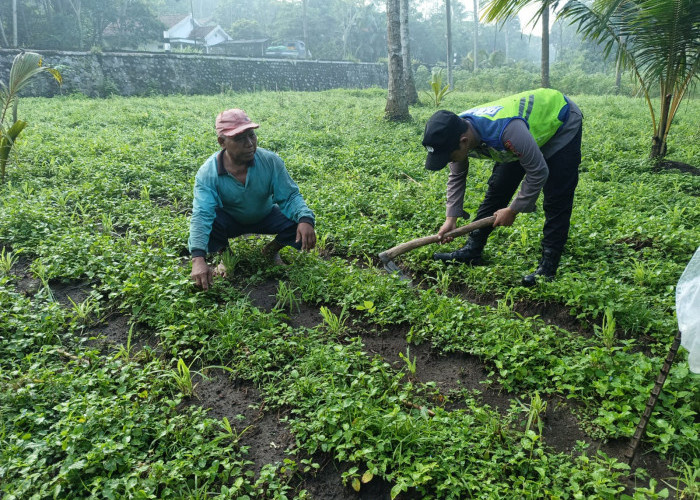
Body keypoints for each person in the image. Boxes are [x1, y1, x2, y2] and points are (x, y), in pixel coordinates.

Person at [422, 88, 583, 286]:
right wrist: (451, 218)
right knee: (498, 188)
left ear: (464, 142)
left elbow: (539, 171)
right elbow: (457, 175)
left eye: (448, 157)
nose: (449, 161)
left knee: (557, 195)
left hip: (560, 122)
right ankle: (473, 249)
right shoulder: (456, 132)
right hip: (521, 135)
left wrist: (513, 209)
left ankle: (548, 267)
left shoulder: (506, 132)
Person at [188, 108, 316, 290]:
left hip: (265, 215)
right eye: (239, 138)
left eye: (251, 135)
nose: (249, 143)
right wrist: (198, 259)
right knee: (212, 221)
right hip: (229, 220)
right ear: (222, 142)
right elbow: (201, 215)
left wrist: (305, 219)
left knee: (300, 221)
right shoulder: (208, 173)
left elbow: (290, 196)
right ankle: (226, 257)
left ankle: (270, 252)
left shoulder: (270, 161)